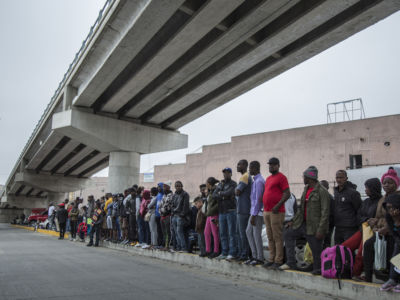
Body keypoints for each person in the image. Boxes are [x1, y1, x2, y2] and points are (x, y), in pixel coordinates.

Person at [281, 166, 330, 275]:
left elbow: (325, 212)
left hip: (314, 227)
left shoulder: (322, 191)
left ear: (309, 178)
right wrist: (292, 221)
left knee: (316, 249)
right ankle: (291, 262)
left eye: (304, 177)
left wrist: (321, 230)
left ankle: (318, 269)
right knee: (288, 234)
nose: (303, 179)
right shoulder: (306, 189)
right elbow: (301, 208)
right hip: (302, 224)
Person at [363, 168, 400, 282]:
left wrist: (387, 228)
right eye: (384, 183)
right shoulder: (382, 199)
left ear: (396, 184)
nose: (386, 185)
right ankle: (368, 276)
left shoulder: (397, 197)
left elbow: (394, 217)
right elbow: (379, 216)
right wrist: (373, 222)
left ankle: (391, 277)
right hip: (379, 231)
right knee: (368, 246)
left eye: (390, 183)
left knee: (391, 251)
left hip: (393, 232)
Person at [341, 178, 382, 279]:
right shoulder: (366, 201)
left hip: (372, 231)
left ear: (373, 188)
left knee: (361, 253)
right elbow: (359, 215)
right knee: (345, 246)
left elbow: (379, 217)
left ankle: (356, 273)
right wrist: (367, 219)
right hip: (363, 228)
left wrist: (371, 221)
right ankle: (344, 268)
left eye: (367, 188)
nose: (365, 190)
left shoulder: (380, 202)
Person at [263, 157, 290, 269]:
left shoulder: (282, 177)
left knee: (277, 237)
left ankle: (278, 260)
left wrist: (278, 205)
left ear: (278, 165)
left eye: (273, 165)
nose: (271, 166)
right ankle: (271, 258)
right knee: (270, 237)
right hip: (267, 211)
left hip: (277, 211)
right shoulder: (268, 178)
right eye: (270, 164)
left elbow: (287, 193)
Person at [213, 168, 237, 260]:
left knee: (231, 233)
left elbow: (229, 193)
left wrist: (221, 194)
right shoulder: (220, 184)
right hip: (221, 212)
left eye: (227, 173)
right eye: (224, 173)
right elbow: (214, 195)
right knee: (222, 233)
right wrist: (223, 195)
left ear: (231, 174)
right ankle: (224, 252)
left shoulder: (233, 184)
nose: (225, 175)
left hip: (231, 211)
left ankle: (232, 253)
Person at [333, 170, 362, 244]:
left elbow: (359, 209)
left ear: (346, 178)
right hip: (338, 226)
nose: (339, 180)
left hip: (350, 228)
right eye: (337, 177)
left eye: (341, 177)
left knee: (348, 250)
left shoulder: (353, 193)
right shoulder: (336, 191)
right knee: (338, 250)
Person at [245, 161, 265, 266]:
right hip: (252, 212)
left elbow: (258, 200)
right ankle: (254, 256)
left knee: (256, 235)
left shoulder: (259, 181)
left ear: (256, 168)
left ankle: (259, 258)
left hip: (257, 213)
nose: (249, 170)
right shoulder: (255, 181)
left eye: (251, 168)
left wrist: (254, 215)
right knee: (248, 232)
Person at [380, 193, 400, 292]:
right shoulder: (389, 216)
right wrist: (395, 221)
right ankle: (393, 279)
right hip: (399, 240)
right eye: (388, 208)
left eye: (392, 207)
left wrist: (398, 221)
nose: (390, 210)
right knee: (395, 256)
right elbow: (393, 232)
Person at [235, 159, 252, 261]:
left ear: (245, 165)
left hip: (244, 210)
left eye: (239, 164)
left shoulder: (245, 176)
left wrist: (235, 189)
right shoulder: (243, 176)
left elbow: (237, 191)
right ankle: (241, 252)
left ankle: (244, 254)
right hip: (240, 209)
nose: (237, 166)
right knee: (239, 233)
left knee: (243, 234)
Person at [171, 181, 190, 252]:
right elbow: (172, 205)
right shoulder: (174, 195)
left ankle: (184, 248)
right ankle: (179, 247)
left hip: (180, 216)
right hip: (174, 215)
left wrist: (182, 215)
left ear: (182, 186)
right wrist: (173, 213)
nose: (178, 187)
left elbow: (186, 207)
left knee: (179, 232)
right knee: (176, 233)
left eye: (179, 186)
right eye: (176, 186)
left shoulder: (185, 194)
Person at [204, 177, 220, 258]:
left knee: (215, 234)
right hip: (209, 215)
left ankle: (216, 251)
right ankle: (208, 250)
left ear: (209, 183)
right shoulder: (210, 191)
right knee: (206, 233)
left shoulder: (216, 190)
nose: (205, 184)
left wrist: (211, 210)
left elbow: (218, 203)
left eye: (206, 183)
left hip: (214, 214)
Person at [159, 181, 173, 250]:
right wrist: (160, 211)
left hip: (167, 215)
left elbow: (167, 206)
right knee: (164, 232)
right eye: (163, 187)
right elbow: (160, 205)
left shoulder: (171, 195)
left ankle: (168, 245)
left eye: (165, 187)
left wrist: (162, 210)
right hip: (162, 215)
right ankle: (165, 244)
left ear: (168, 187)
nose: (163, 188)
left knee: (168, 231)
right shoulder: (164, 195)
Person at [155, 183, 164, 247]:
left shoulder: (164, 194)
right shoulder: (158, 194)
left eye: (159, 187)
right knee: (158, 230)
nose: (158, 188)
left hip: (162, 215)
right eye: (158, 187)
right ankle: (159, 243)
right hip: (157, 215)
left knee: (162, 230)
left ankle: (163, 244)